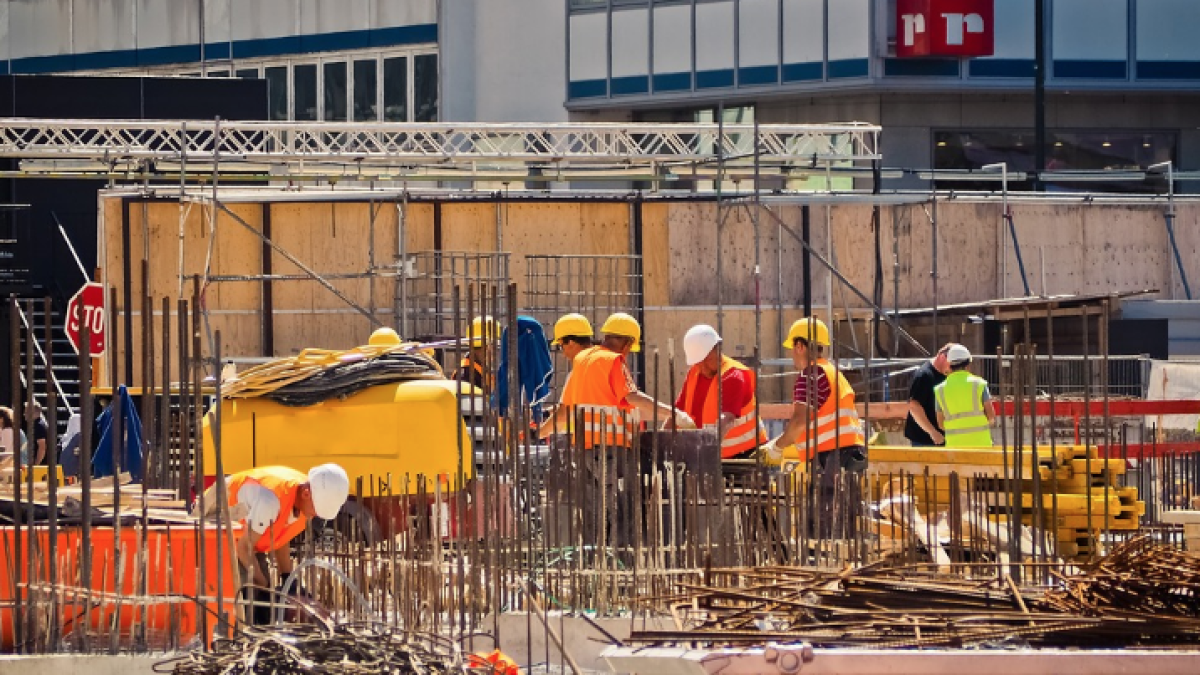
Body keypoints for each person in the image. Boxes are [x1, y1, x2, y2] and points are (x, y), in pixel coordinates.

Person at [202, 464, 349, 624]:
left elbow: (280, 537)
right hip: (213, 521)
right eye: (317, 509)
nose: (316, 515)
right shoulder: (270, 501)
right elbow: (244, 548)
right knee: (248, 594)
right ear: (306, 494)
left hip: (245, 537)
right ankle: (235, 634)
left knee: (262, 592)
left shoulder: (303, 499)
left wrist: (287, 577)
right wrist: (264, 586)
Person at [763, 317, 866, 537]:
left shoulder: (811, 374)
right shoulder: (832, 372)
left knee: (823, 528)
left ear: (800, 346)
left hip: (832, 457)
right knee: (842, 526)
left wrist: (778, 447)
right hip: (850, 455)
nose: (792, 354)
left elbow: (800, 420)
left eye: (793, 348)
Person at [537, 312, 693, 447]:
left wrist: (539, 433)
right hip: (612, 447)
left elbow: (565, 411)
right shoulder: (614, 361)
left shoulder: (581, 360)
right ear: (628, 344)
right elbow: (632, 398)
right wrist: (674, 413)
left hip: (583, 448)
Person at [676, 324, 767, 459]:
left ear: (717, 349)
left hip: (746, 457)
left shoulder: (733, 375)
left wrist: (709, 446)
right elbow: (677, 412)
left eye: (707, 360)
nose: (703, 368)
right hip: (711, 456)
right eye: (698, 362)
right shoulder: (694, 373)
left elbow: (727, 419)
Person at [934, 345, 996, 447]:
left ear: (949, 365)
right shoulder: (979, 384)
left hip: (954, 447)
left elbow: (940, 424)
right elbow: (991, 416)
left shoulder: (940, 389)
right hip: (981, 445)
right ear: (968, 364)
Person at [904, 344, 954, 447]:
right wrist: (933, 432)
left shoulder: (946, 375)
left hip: (943, 437)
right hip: (924, 439)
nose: (952, 366)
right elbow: (914, 406)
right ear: (942, 357)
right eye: (952, 362)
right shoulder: (923, 375)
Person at [455, 316, 501, 392]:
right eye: (495, 346)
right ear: (487, 347)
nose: (496, 351)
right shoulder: (466, 373)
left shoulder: (480, 369)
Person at [24, 400, 49, 466]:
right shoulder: (40, 424)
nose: (24, 414)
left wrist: (36, 465)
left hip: (41, 465)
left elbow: (42, 447)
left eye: (26, 411)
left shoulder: (38, 426)